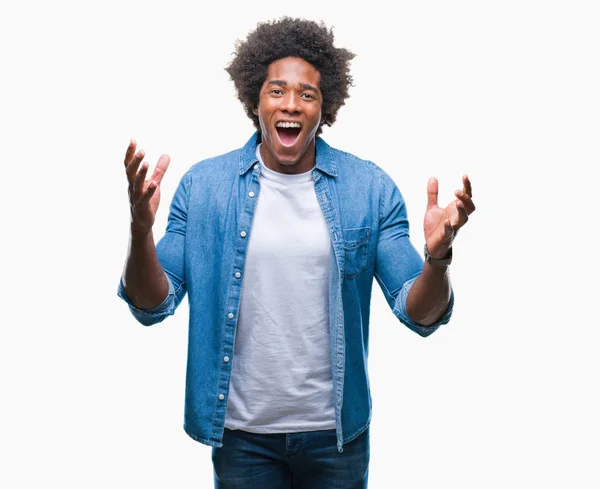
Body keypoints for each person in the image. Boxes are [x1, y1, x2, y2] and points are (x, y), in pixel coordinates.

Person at [118, 16, 475, 489]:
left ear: (324, 108)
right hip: (243, 438)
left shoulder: (368, 189)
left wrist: (437, 258)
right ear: (256, 101)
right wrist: (140, 230)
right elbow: (150, 304)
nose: (291, 104)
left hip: (337, 440)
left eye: (307, 94)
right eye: (277, 91)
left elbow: (420, 313)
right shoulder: (204, 188)